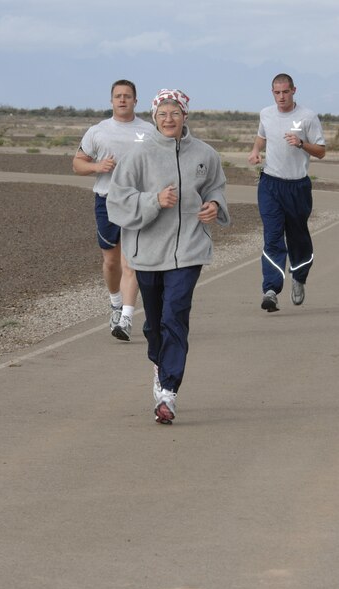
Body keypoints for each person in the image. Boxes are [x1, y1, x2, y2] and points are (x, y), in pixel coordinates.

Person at [107, 89, 229, 424]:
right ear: (155, 117)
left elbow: (216, 185)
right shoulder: (138, 155)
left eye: (175, 113)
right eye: (162, 114)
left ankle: (169, 393)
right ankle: (161, 365)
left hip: (189, 249)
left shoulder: (205, 153)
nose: (168, 119)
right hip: (148, 252)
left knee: (175, 314)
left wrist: (214, 205)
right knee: (155, 323)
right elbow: (117, 202)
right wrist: (154, 201)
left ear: (185, 115)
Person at [72, 79, 154, 341]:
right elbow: (77, 164)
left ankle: (127, 318)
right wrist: (98, 167)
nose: (122, 100)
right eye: (118, 96)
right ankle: (116, 303)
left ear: (135, 101)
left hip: (137, 201)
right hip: (107, 200)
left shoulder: (150, 131)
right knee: (111, 261)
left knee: (131, 262)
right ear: (111, 101)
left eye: (127, 96)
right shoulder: (98, 132)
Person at [248, 73, 326, 312]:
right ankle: (271, 290)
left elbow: (321, 151)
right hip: (270, 184)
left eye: (285, 92)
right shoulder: (266, 114)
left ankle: (299, 277)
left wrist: (302, 143)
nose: (281, 96)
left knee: (298, 238)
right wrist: (255, 151)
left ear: (294, 91)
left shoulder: (308, 117)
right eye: (277, 92)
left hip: (298, 187)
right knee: (272, 236)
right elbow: (261, 137)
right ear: (272, 93)